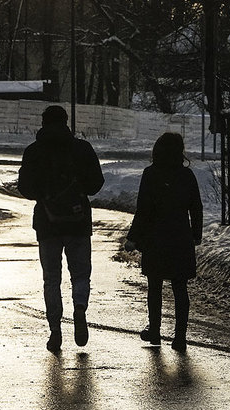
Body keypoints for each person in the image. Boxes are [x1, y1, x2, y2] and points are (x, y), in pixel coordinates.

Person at [18, 105, 105, 352]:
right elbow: (96, 183)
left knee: (51, 279)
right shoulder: (81, 149)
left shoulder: (34, 152)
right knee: (80, 274)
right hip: (78, 222)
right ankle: (79, 309)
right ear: (66, 122)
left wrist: (44, 194)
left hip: (48, 223)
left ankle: (55, 328)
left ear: (43, 123)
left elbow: (24, 186)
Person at [125, 132, 203, 352]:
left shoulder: (150, 174)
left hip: (155, 237)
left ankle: (155, 330)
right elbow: (196, 207)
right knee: (180, 287)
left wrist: (133, 237)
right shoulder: (186, 176)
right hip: (180, 236)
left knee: (155, 286)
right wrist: (196, 233)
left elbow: (143, 210)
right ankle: (180, 337)